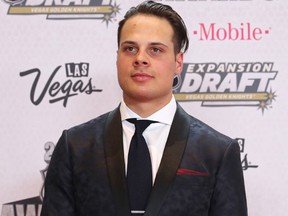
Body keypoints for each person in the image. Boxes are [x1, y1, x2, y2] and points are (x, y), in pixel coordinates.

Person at [41, 1, 248, 216]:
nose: (140, 59)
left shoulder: (217, 152)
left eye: (155, 50)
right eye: (130, 48)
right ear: (117, 57)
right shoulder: (75, 147)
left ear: (178, 62)